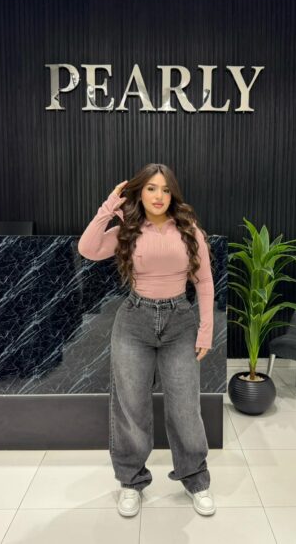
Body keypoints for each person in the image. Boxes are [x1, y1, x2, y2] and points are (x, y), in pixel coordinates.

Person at [77, 164, 216, 517]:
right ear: (139, 192)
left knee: (185, 408)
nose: (159, 196)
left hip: (180, 323)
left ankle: (196, 480)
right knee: (131, 408)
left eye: (166, 189)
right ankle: (131, 482)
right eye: (151, 188)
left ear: (173, 194)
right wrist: (110, 205)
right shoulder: (128, 229)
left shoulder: (189, 230)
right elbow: (88, 248)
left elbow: (204, 282)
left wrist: (206, 329)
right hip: (134, 322)